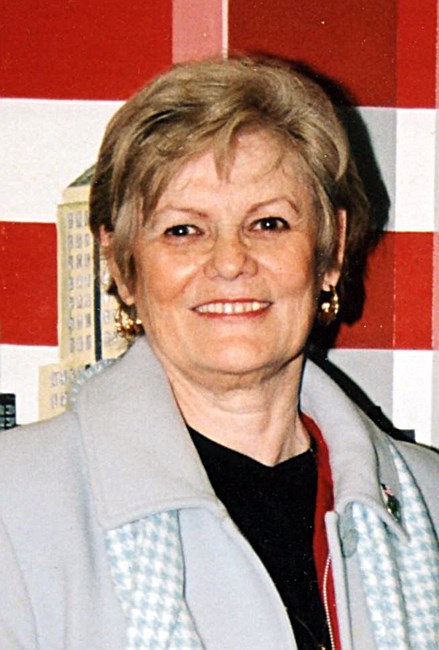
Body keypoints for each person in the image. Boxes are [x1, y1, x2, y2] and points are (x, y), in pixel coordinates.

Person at [1, 57, 438, 650]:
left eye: (269, 224)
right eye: (183, 230)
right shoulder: (14, 503)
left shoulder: (428, 502)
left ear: (330, 251)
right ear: (122, 264)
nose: (230, 262)